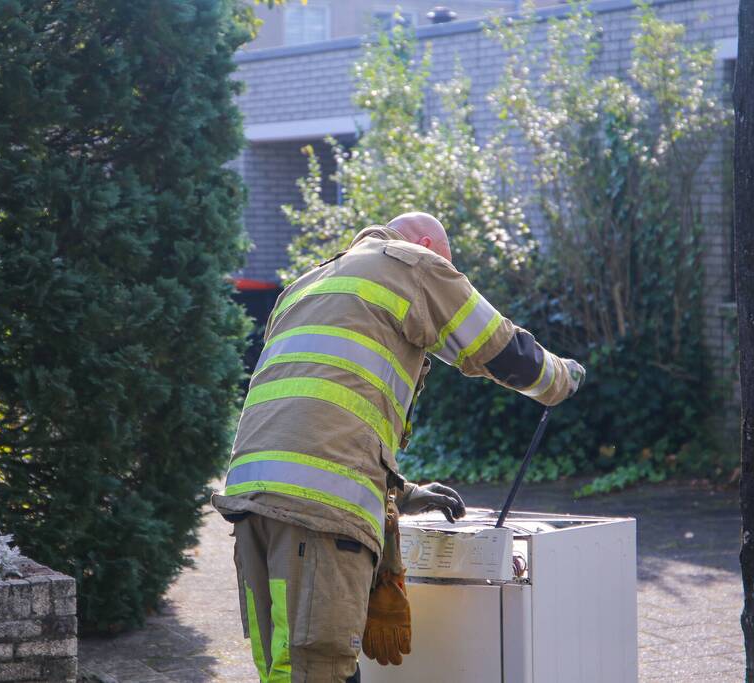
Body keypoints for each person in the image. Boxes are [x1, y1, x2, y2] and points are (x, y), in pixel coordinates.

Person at [212, 212, 585, 682]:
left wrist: (398, 493)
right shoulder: (414, 264)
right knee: (320, 668)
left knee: (282, 669)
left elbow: (317, 408)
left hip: (251, 496)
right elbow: (499, 347)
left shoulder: (306, 286)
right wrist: (559, 379)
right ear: (428, 245)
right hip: (318, 510)